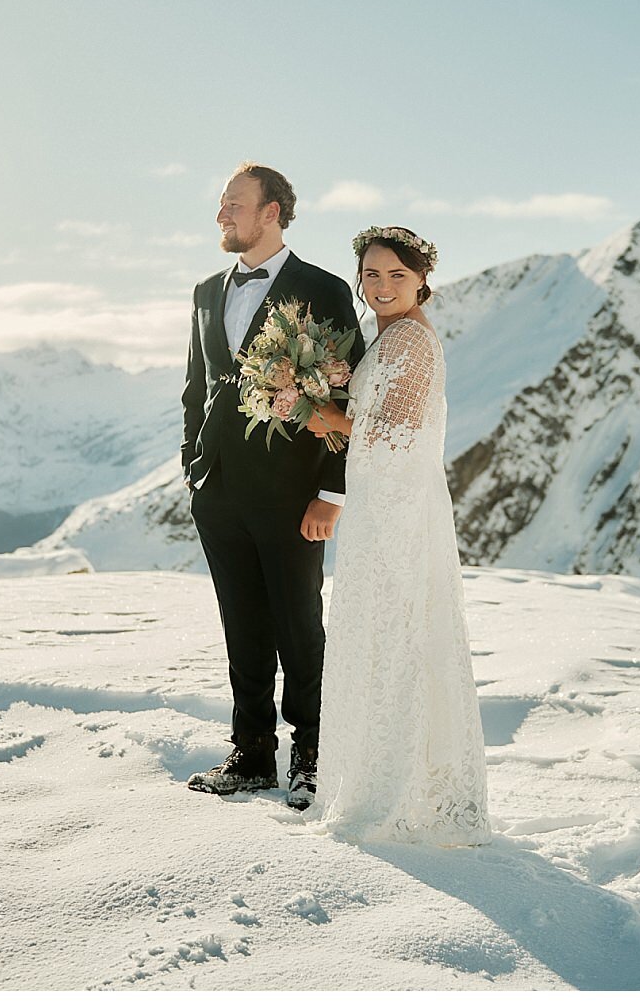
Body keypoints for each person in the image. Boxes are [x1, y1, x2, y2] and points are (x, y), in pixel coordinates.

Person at [181, 162, 365, 809]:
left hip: (294, 493)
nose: (221, 215)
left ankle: (315, 752)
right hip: (220, 490)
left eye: (233, 203)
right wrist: (194, 467)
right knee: (243, 623)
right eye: (221, 204)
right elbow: (197, 388)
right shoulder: (207, 291)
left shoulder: (323, 288)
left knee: (298, 624)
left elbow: (352, 394)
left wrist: (332, 491)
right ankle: (252, 751)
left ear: (272, 212)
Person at [301, 225, 491, 845]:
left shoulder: (410, 341)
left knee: (398, 631)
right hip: (381, 507)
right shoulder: (385, 338)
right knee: (380, 632)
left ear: (421, 282)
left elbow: (396, 435)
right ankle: (372, 774)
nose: (383, 287)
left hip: (399, 513)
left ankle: (400, 789)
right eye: (373, 275)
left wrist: (323, 415)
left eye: (397, 276)